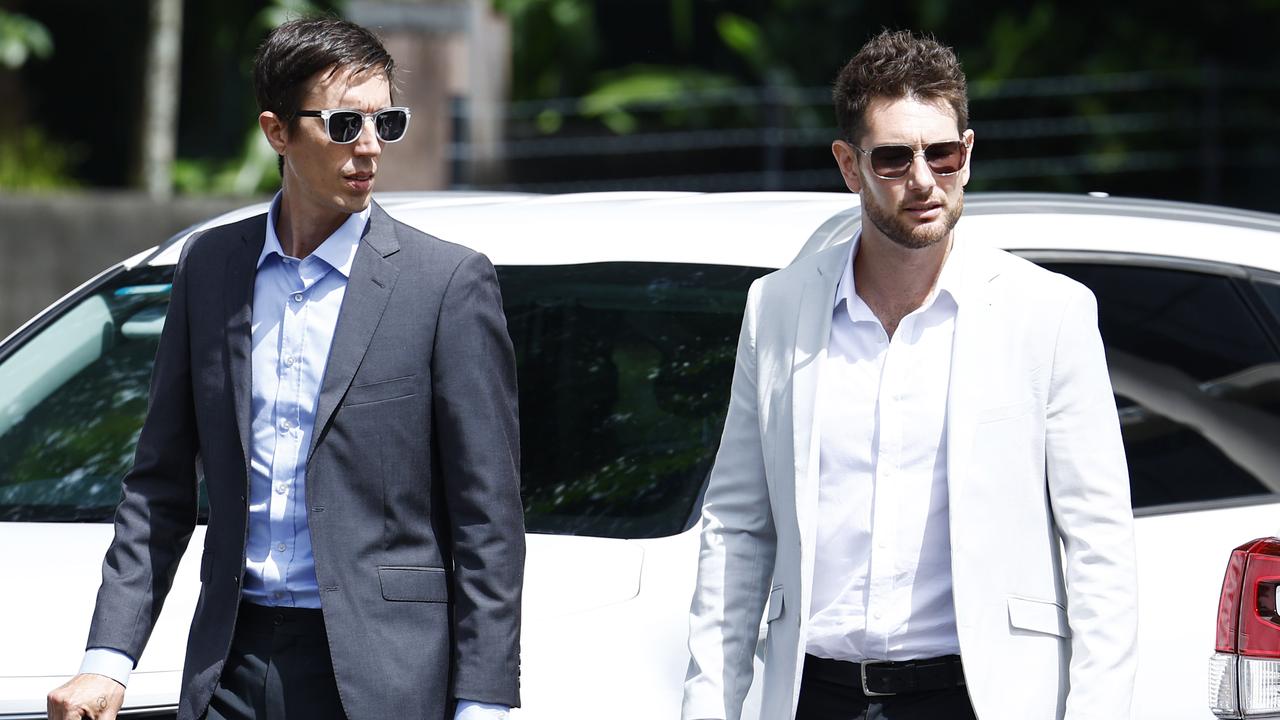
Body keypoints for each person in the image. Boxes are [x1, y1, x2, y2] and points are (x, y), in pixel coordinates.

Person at [46, 16, 524, 720]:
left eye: (385, 122)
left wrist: (483, 700)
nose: (368, 147)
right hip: (228, 666)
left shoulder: (446, 283)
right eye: (343, 124)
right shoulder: (211, 268)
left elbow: (487, 517)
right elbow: (159, 488)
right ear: (277, 132)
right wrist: (108, 661)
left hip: (381, 676)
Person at [682, 29, 1137, 720]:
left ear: (968, 153)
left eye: (943, 153)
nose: (924, 179)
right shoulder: (776, 308)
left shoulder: (1049, 313)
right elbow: (737, 528)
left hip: (978, 698)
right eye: (894, 158)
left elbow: (1100, 545)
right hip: (814, 695)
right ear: (848, 164)